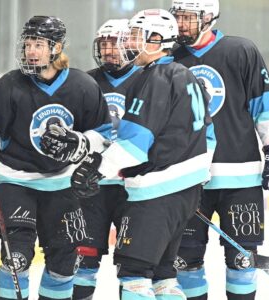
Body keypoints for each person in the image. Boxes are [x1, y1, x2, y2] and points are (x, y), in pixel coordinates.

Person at [68, 9, 213, 300]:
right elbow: (209, 138)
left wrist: (96, 170)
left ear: (157, 40)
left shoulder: (154, 79)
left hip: (154, 195)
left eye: (136, 36)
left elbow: (134, 146)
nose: (129, 42)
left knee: (134, 273)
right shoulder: (186, 75)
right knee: (163, 274)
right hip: (185, 192)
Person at [169, 1, 269, 299]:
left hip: (240, 178)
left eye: (189, 17)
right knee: (184, 262)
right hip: (187, 179)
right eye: (178, 16)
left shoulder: (241, 51)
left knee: (241, 263)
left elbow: (263, 106)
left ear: (209, 18)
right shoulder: (168, 58)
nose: (181, 23)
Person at [0, 15, 113, 300]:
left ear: (56, 48)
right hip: (16, 181)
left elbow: (103, 133)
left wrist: (81, 143)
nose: (31, 51)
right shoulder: (9, 85)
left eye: (39, 44)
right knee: (15, 258)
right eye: (28, 44)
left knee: (65, 262)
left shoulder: (83, 85)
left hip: (62, 184)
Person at [71, 18, 143, 300]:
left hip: (134, 188)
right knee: (82, 261)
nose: (109, 51)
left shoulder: (148, 79)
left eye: (115, 45)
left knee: (133, 264)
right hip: (91, 187)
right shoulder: (85, 81)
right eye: (104, 45)